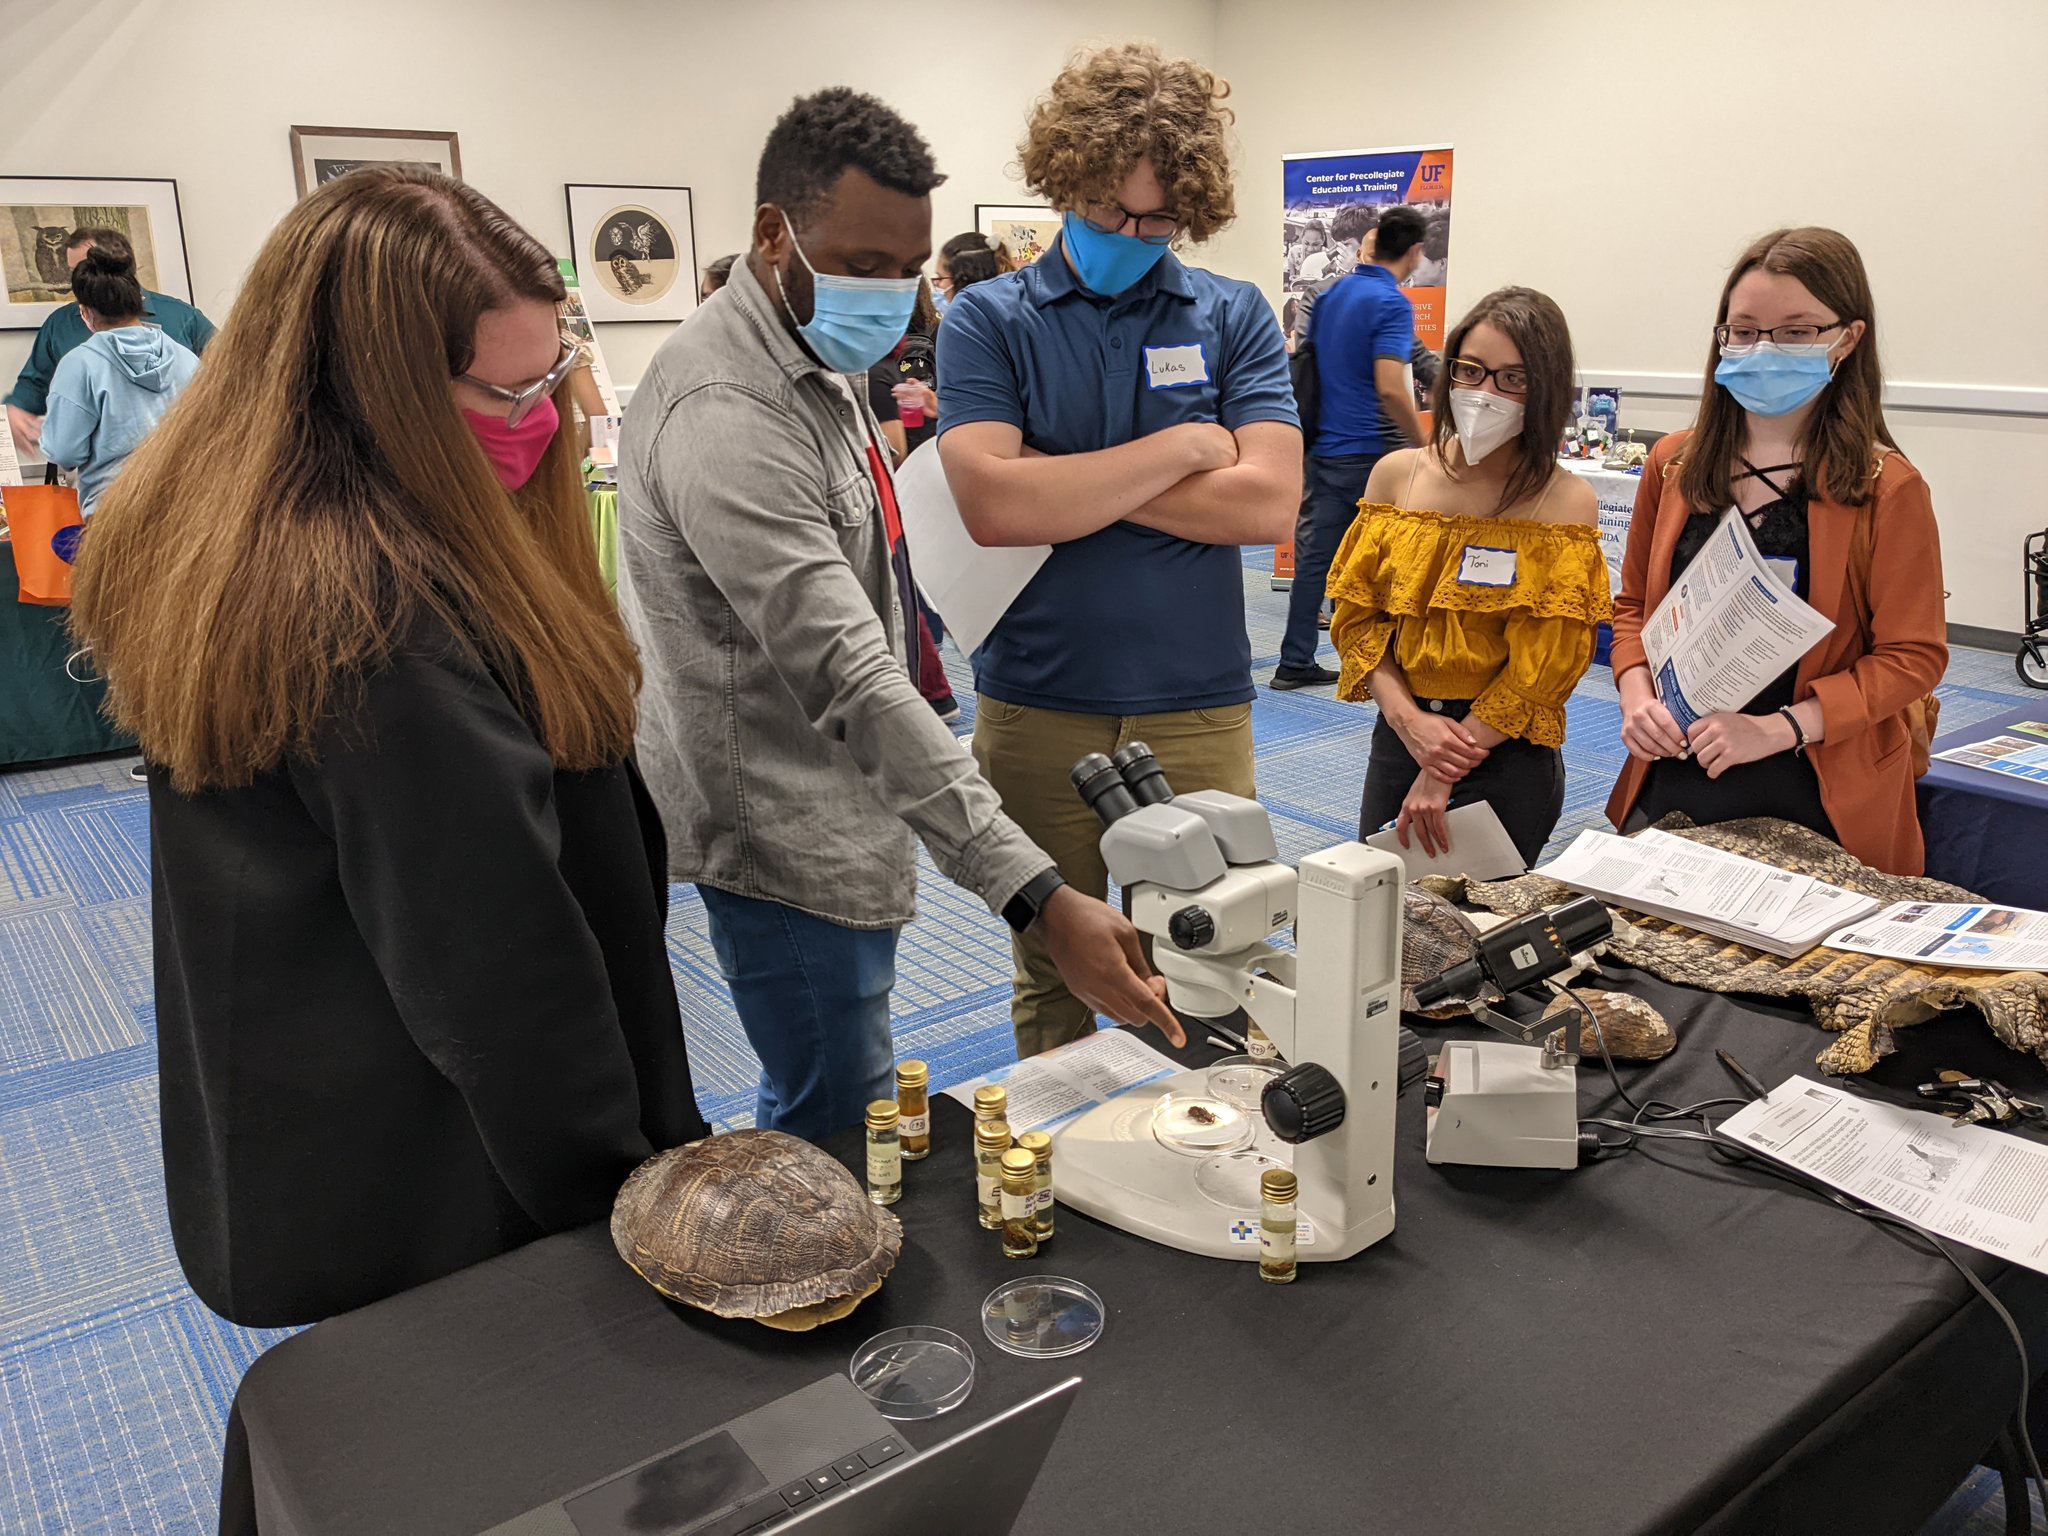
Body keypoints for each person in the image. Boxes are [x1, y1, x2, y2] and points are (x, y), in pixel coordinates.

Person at [65, 167, 708, 1329]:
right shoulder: (373, 618)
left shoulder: (246, 524)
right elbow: (499, 973)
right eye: (502, 398)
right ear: (376, 390)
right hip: (461, 1181)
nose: (540, 424)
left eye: (549, 378)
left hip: (332, 1111)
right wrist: (629, 1204)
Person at [618, 88, 1183, 1136]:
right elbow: (848, 675)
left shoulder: (808, 353)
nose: (891, 295)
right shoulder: (726, 410)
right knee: (837, 1117)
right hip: (783, 832)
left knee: (842, 1088)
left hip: (847, 799)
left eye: (907, 268)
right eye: (864, 266)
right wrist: (1037, 897)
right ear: (770, 234)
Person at [938, 43, 1300, 1058]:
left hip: (1194, 699)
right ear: (1064, 184)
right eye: (1108, 213)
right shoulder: (986, 318)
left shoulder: (1230, 316)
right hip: (1037, 698)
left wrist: (1070, 481)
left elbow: (1268, 502)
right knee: (1050, 965)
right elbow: (993, 507)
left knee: (1207, 953)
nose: (1131, 236)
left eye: (1155, 221)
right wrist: (1182, 451)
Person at [1608, 227, 1946, 875]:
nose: (1763, 349)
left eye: (1795, 332)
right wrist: (1634, 693)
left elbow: (1914, 657)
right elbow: (1631, 610)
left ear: (1847, 339)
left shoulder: (1887, 488)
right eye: (1743, 330)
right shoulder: (1674, 462)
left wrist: (1778, 728)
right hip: (1677, 764)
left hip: (1815, 781)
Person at [1328, 287, 1606, 867]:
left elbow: (1546, 662)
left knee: (1483, 935)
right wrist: (1408, 722)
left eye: (1513, 379)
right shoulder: (1396, 477)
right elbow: (1357, 620)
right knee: (1378, 917)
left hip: (1504, 749)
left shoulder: (1563, 501)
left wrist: (1442, 768)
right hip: (1402, 733)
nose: (1485, 394)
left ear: (1546, 388)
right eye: (1471, 371)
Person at [1273, 204, 1429, 690]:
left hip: (1321, 447)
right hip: (1372, 454)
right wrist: (1421, 446)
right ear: (1416, 253)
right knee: (1384, 567)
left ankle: (1294, 662)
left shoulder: (1330, 293)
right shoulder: (1392, 303)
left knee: (1316, 564)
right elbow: (1390, 386)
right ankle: (1375, 661)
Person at [5, 227, 214, 464]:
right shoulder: (61, 327)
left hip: (180, 471)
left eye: (89, 268)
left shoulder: (182, 318)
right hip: (112, 484)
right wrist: (13, 411)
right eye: (75, 272)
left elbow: (232, 372)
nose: (81, 281)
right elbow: (34, 387)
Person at [37, 246, 199, 516]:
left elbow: (64, 452)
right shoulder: (187, 359)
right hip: (185, 511)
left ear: (85, 312)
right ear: (140, 300)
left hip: (115, 516)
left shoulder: (80, 364)